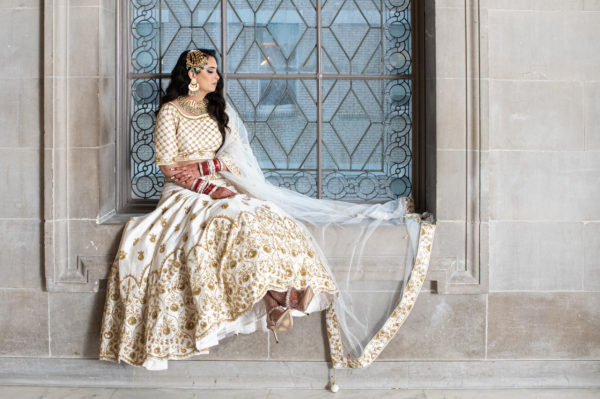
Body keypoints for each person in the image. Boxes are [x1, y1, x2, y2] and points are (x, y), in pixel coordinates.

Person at [100, 49, 435, 375]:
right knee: (224, 223)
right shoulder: (170, 113)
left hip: (223, 184)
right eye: (210, 71)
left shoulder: (217, 109)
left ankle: (276, 299)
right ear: (192, 74)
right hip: (185, 193)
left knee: (262, 215)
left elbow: (235, 157)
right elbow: (168, 166)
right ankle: (279, 297)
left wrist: (214, 170)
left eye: (217, 70)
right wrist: (207, 185)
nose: (217, 76)